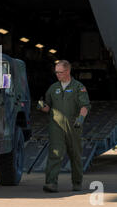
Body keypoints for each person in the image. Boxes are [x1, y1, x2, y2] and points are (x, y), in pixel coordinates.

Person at [38, 60, 91, 192]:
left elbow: (85, 106)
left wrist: (80, 119)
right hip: (56, 126)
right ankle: (51, 183)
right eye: (56, 72)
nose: (57, 75)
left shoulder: (79, 87)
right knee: (55, 153)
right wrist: (42, 106)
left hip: (74, 126)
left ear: (68, 71)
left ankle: (77, 183)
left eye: (60, 72)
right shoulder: (53, 88)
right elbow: (48, 107)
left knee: (75, 155)